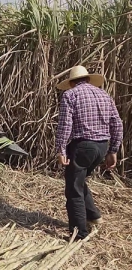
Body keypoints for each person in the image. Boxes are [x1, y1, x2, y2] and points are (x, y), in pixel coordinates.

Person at [55, 65, 123, 241]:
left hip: (82, 147)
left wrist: (61, 149)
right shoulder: (103, 94)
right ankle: (94, 215)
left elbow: (65, 126)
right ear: (88, 79)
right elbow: (117, 124)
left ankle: (79, 234)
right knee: (78, 180)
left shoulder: (70, 95)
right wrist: (113, 150)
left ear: (71, 82)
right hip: (101, 147)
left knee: (73, 190)